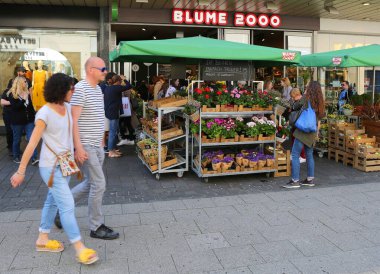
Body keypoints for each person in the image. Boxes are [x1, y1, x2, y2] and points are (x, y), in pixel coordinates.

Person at [10, 73, 98, 265]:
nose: (73, 91)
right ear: (61, 90)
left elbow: (72, 131)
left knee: (53, 201)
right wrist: (21, 171)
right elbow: (32, 144)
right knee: (67, 205)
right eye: (70, 88)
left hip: (65, 164)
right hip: (50, 168)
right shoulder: (44, 114)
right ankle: (80, 248)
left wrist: (78, 150)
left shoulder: (67, 108)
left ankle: (42, 239)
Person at [55, 57, 119, 240]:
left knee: (91, 183)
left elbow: (98, 117)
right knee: (99, 184)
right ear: (91, 70)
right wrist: (78, 148)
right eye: (103, 68)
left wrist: (101, 142)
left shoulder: (98, 89)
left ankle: (60, 209)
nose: (105, 71)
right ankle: (96, 226)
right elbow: (73, 121)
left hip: (97, 145)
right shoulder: (81, 90)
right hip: (86, 145)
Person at [283, 81, 325, 189]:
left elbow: (295, 105)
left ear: (310, 88)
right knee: (309, 155)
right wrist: (316, 133)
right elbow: (319, 119)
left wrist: (304, 94)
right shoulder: (319, 102)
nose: (306, 87)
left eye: (307, 86)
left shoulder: (306, 98)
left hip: (303, 130)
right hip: (312, 131)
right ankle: (310, 180)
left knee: (295, 154)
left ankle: (295, 181)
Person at [7, 76, 38, 164]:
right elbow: (16, 107)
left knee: (31, 139)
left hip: (29, 121)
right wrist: (23, 100)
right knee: (17, 139)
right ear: (19, 82)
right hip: (17, 121)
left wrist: (34, 116)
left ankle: (34, 157)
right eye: (25, 81)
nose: (26, 83)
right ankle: (16, 156)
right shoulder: (12, 94)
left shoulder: (27, 92)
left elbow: (30, 107)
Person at [104, 74, 131, 157]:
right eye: (120, 81)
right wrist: (125, 79)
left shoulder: (108, 88)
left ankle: (112, 150)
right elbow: (129, 86)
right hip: (114, 112)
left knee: (113, 131)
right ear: (118, 81)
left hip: (109, 111)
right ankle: (111, 152)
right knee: (112, 132)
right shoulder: (117, 87)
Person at [289, 88, 306, 163]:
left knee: (299, 139)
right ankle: (295, 154)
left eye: (293, 96)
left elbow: (295, 108)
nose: (292, 98)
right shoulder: (297, 101)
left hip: (300, 122)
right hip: (295, 122)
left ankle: (302, 156)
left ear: (297, 95)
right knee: (293, 137)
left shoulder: (302, 101)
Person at [1, 87, 13, 156]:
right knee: (9, 130)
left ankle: (14, 147)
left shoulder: (20, 91)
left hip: (16, 115)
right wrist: (13, 102)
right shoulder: (6, 91)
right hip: (7, 114)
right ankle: (10, 146)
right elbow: (2, 102)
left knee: (15, 132)